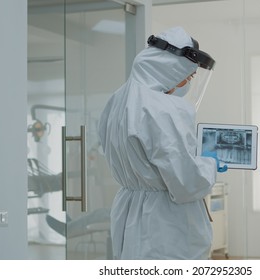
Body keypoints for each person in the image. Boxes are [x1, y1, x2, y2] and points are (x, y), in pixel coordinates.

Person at [97, 26, 227, 260]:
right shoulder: (166, 108)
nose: (188, 80)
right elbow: (186, 182)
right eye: (188, 74)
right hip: (165, 221)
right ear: (172, 67)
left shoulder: (117, 100)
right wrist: (209, 164)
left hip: (129, 210)